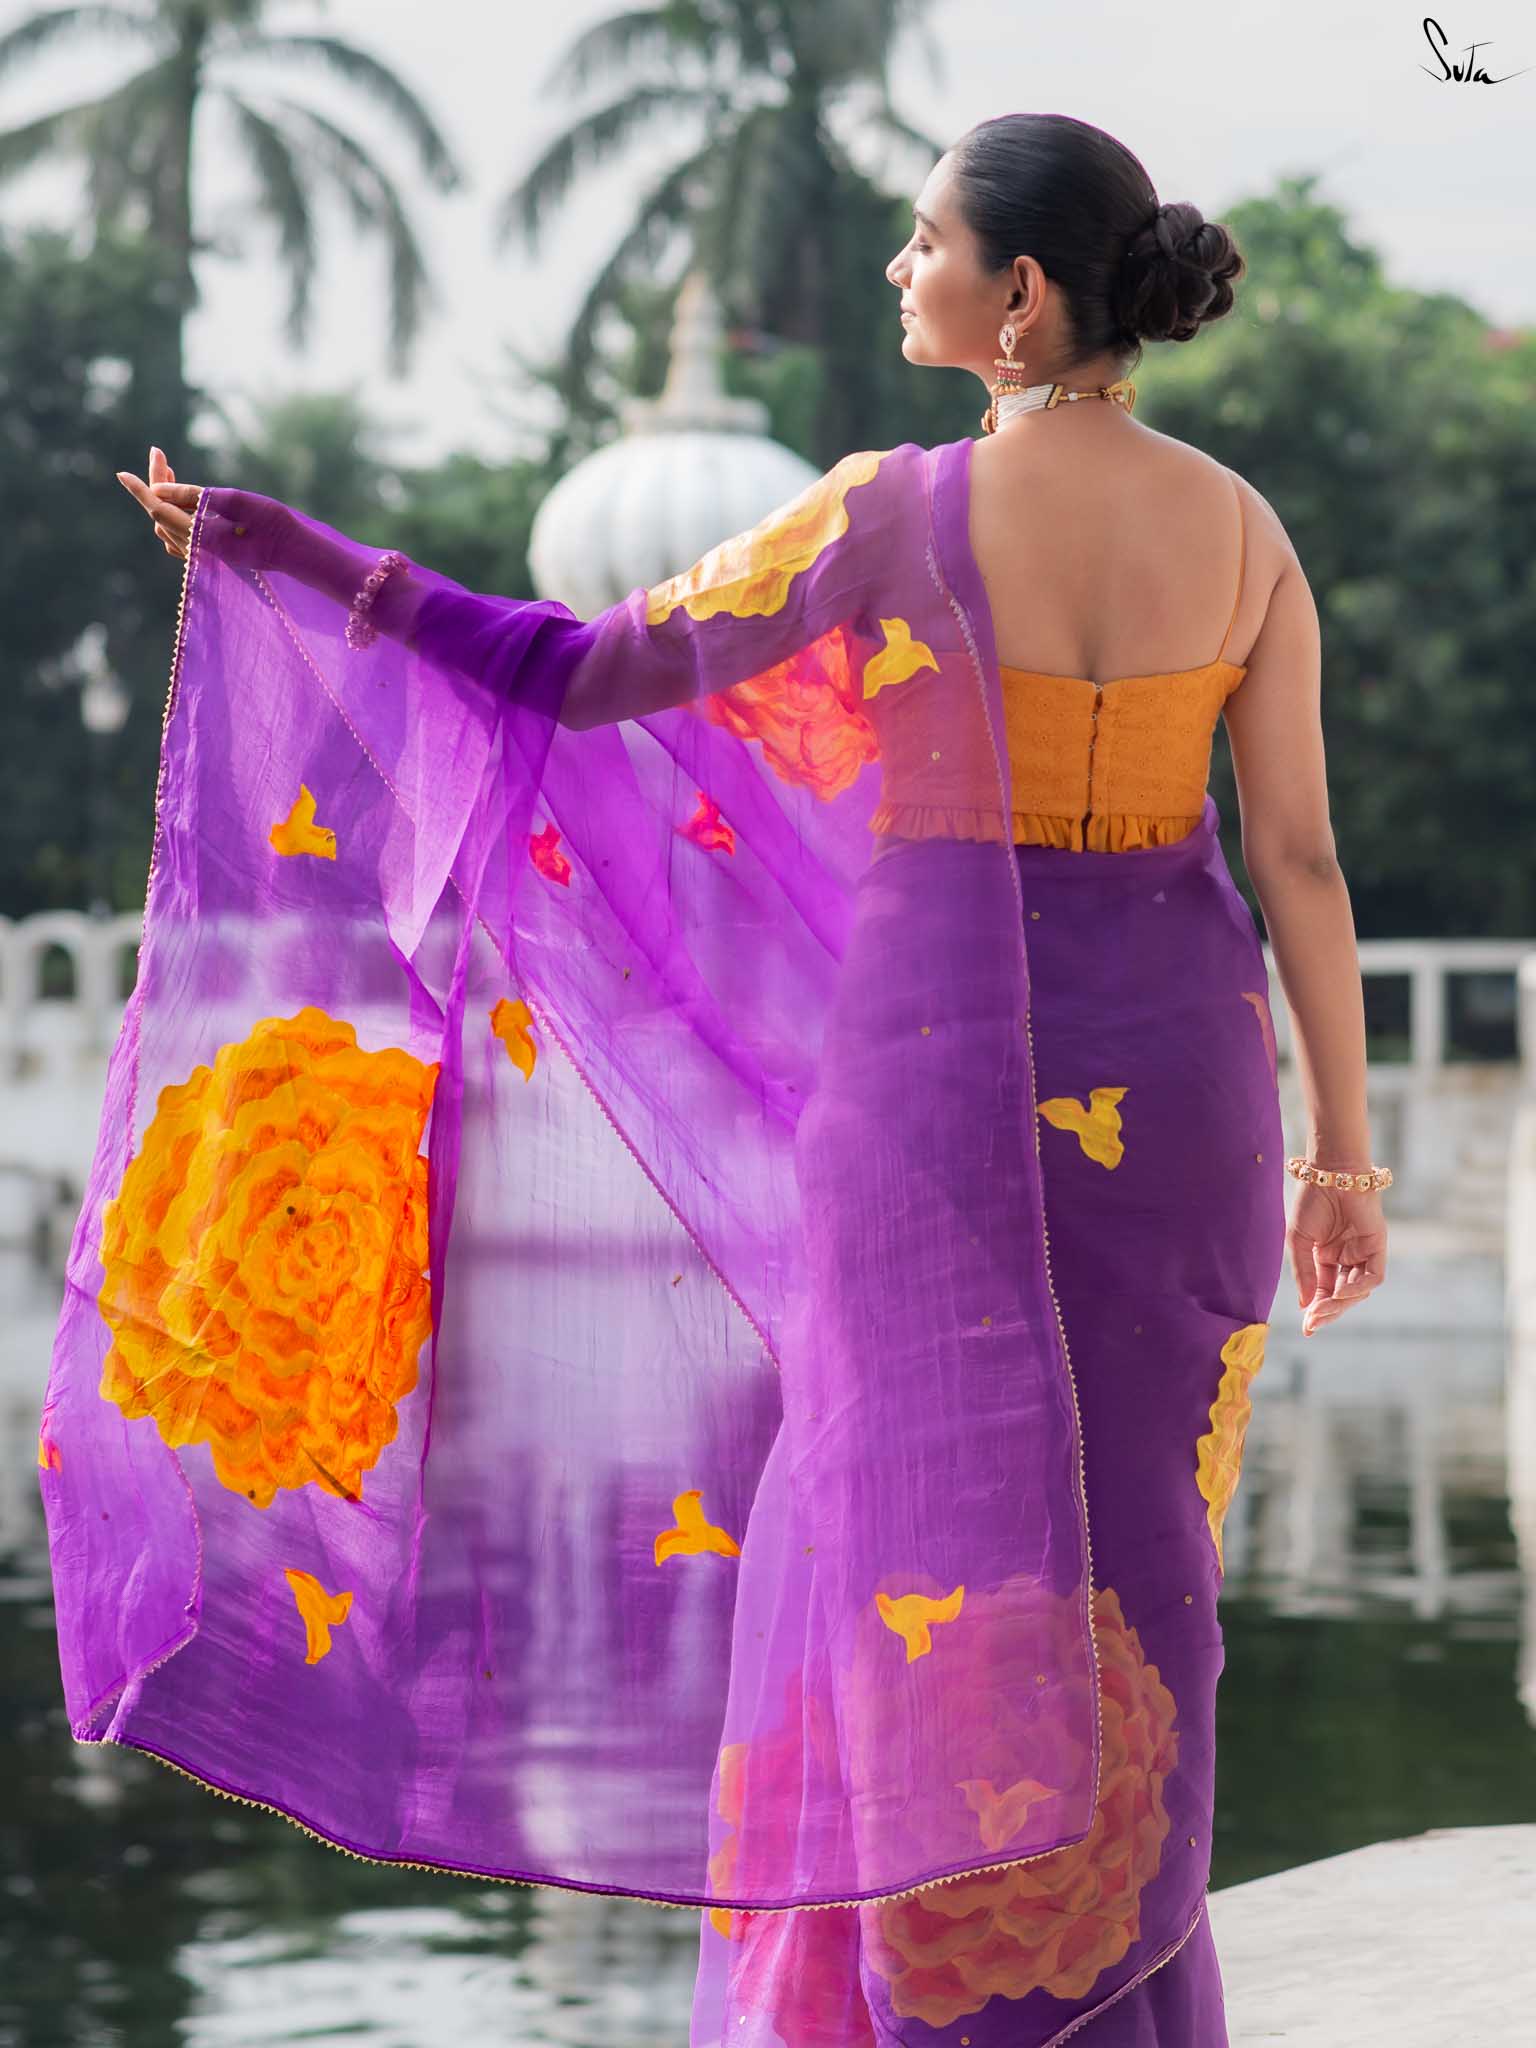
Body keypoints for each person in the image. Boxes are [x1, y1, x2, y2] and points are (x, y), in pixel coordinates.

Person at [107, 111, 1387, 2048]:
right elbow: (1296, 855)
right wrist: (1346, 1159)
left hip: (945, 1087)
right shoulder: (1245, 527)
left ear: (1019, 294)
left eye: (924, 241)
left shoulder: (895, 505)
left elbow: (572, 673)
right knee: (1140, 1553)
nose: (900, 270)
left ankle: (902, 2010)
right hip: (1189, 1084)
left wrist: (313, 564)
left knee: (910, 1548)